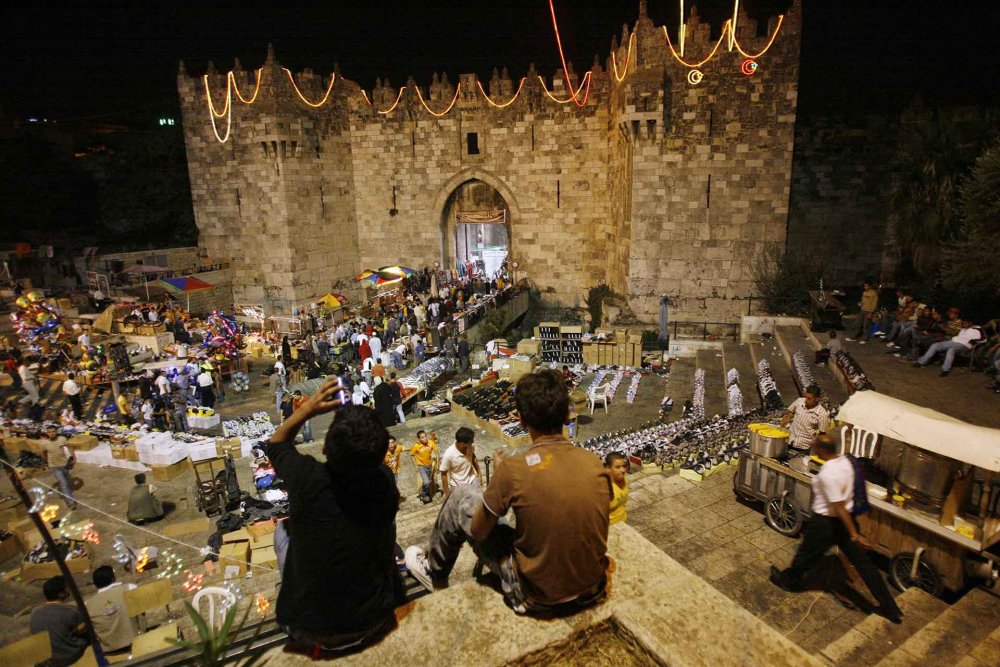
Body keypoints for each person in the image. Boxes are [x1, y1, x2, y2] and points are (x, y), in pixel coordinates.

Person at [405, 370, 611, 615]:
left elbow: (480, 531)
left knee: (462, 496)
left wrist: (499, 482)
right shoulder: (594, 462)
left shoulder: (514, 469)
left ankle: (433, 572)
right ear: (568, 414)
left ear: (521, 420)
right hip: (591, 587)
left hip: (536, 596)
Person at [265, 379, 402, 656]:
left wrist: (308, 410)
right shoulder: (384, 481)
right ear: (380, 458)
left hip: (311, 625)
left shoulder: (307, 479)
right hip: (374, 615)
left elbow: (276, 443)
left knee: (283, 530)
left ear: (326, 448)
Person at [770, 435, 904, 624]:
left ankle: (787, 580)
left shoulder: (828, 474)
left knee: (805, 555)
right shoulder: (846, 462)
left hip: (827, 524)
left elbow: (838, 505)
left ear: (820, 450)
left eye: (815, 447)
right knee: (864, 564)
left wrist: (855, 535)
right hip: (845, 522)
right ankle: (890, 607)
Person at [30, 576, 89, 667]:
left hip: (45, 660)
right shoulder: (71, 611)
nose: (68, 589)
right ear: (61, 594)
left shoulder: (34, 612)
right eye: (67, 587)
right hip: (66, 657)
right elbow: (82, 629)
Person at [85, 566, 138, 653]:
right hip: (136, 643)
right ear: (113, 578)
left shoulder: (88, 605)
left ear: (95, 584)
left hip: (109, 652)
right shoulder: (130, 588)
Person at [914, 320, 983, 377]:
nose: (964, 324)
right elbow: (955, 335)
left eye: (966, 323)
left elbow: (983, 339)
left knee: (951, 350)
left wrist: (974, 342)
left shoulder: (977, 329)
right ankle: (921, 362)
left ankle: (945, 370)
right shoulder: (962, 329)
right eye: (963, 323)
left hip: (964, 345)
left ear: (970, 323)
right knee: (935, 345)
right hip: (953, 341)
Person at [780, 384, 830, 451]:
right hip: (789, 440)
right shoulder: (799, 401)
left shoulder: (822, 414)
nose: (806, 400)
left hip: (804, 447)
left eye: (809, 398)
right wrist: (787, 418)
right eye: (805, 397)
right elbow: (791, 412)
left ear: (817, 399)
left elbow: (822, 434)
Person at [439, 427, 482, 498]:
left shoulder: (471, 446)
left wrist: (479, 474)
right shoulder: (449, 455)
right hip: (457, 485)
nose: (473, 443)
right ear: (462, 444)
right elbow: (443, 474)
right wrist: (447, 494)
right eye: (470, 441)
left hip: (472, 480)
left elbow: (473, 456)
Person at [41, 425, 77, 508]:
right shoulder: (45, 443)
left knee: (67, 480)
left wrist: (74, 457)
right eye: (49, 432)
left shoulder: (62, 439)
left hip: (64, 465)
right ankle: (71, 502)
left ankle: (67, 492)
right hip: (54, 467)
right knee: (63, 483)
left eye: (53, 431)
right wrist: (46, 462)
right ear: (47, 433)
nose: (51, 434)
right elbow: (42, 453)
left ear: (56, 432)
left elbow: (69, 447)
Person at [409, 430, 438, 504]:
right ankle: (424, 494)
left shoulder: (430, 443)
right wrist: (415, 466)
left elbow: (437, 452)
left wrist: (437, 463)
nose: (425, 438)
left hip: (430, 465)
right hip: (421, 466)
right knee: (426, 482)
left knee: (428, 481)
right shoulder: (416, 446)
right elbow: (412, 455)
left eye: (425, 436)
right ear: (419, 439)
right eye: (422, 437)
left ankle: (427, 496)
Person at [605, 453, 629, 525]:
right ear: (608, 468)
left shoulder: (624, 479)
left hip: (623, 521)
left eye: (624, 466)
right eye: (617, 467)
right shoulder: (604, 488)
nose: (623, 470)